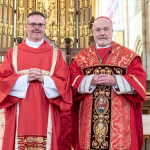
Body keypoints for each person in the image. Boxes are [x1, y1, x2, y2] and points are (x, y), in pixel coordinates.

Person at [70, 16, 146, 150]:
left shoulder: (128, 56)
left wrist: (116, 81)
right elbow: (71, 83)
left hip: (120, 122)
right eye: (98, 30)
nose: (102, 33)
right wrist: (90, 81)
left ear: (112, 30)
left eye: (106, 29)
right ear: (93, 32)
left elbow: (139, 82)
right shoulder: (80, 59)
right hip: (88, 122)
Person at [0, 11, 72, 150]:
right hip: (19, 110)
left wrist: (43, 79)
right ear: (26, 26)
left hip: (47, 109)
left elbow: (64, 83)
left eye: (40, 24)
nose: (36, 27)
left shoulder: (55, 54)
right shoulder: (12, 53)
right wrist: (25, 78)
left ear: (45, 27)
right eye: (33, 24)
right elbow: (2, 81)